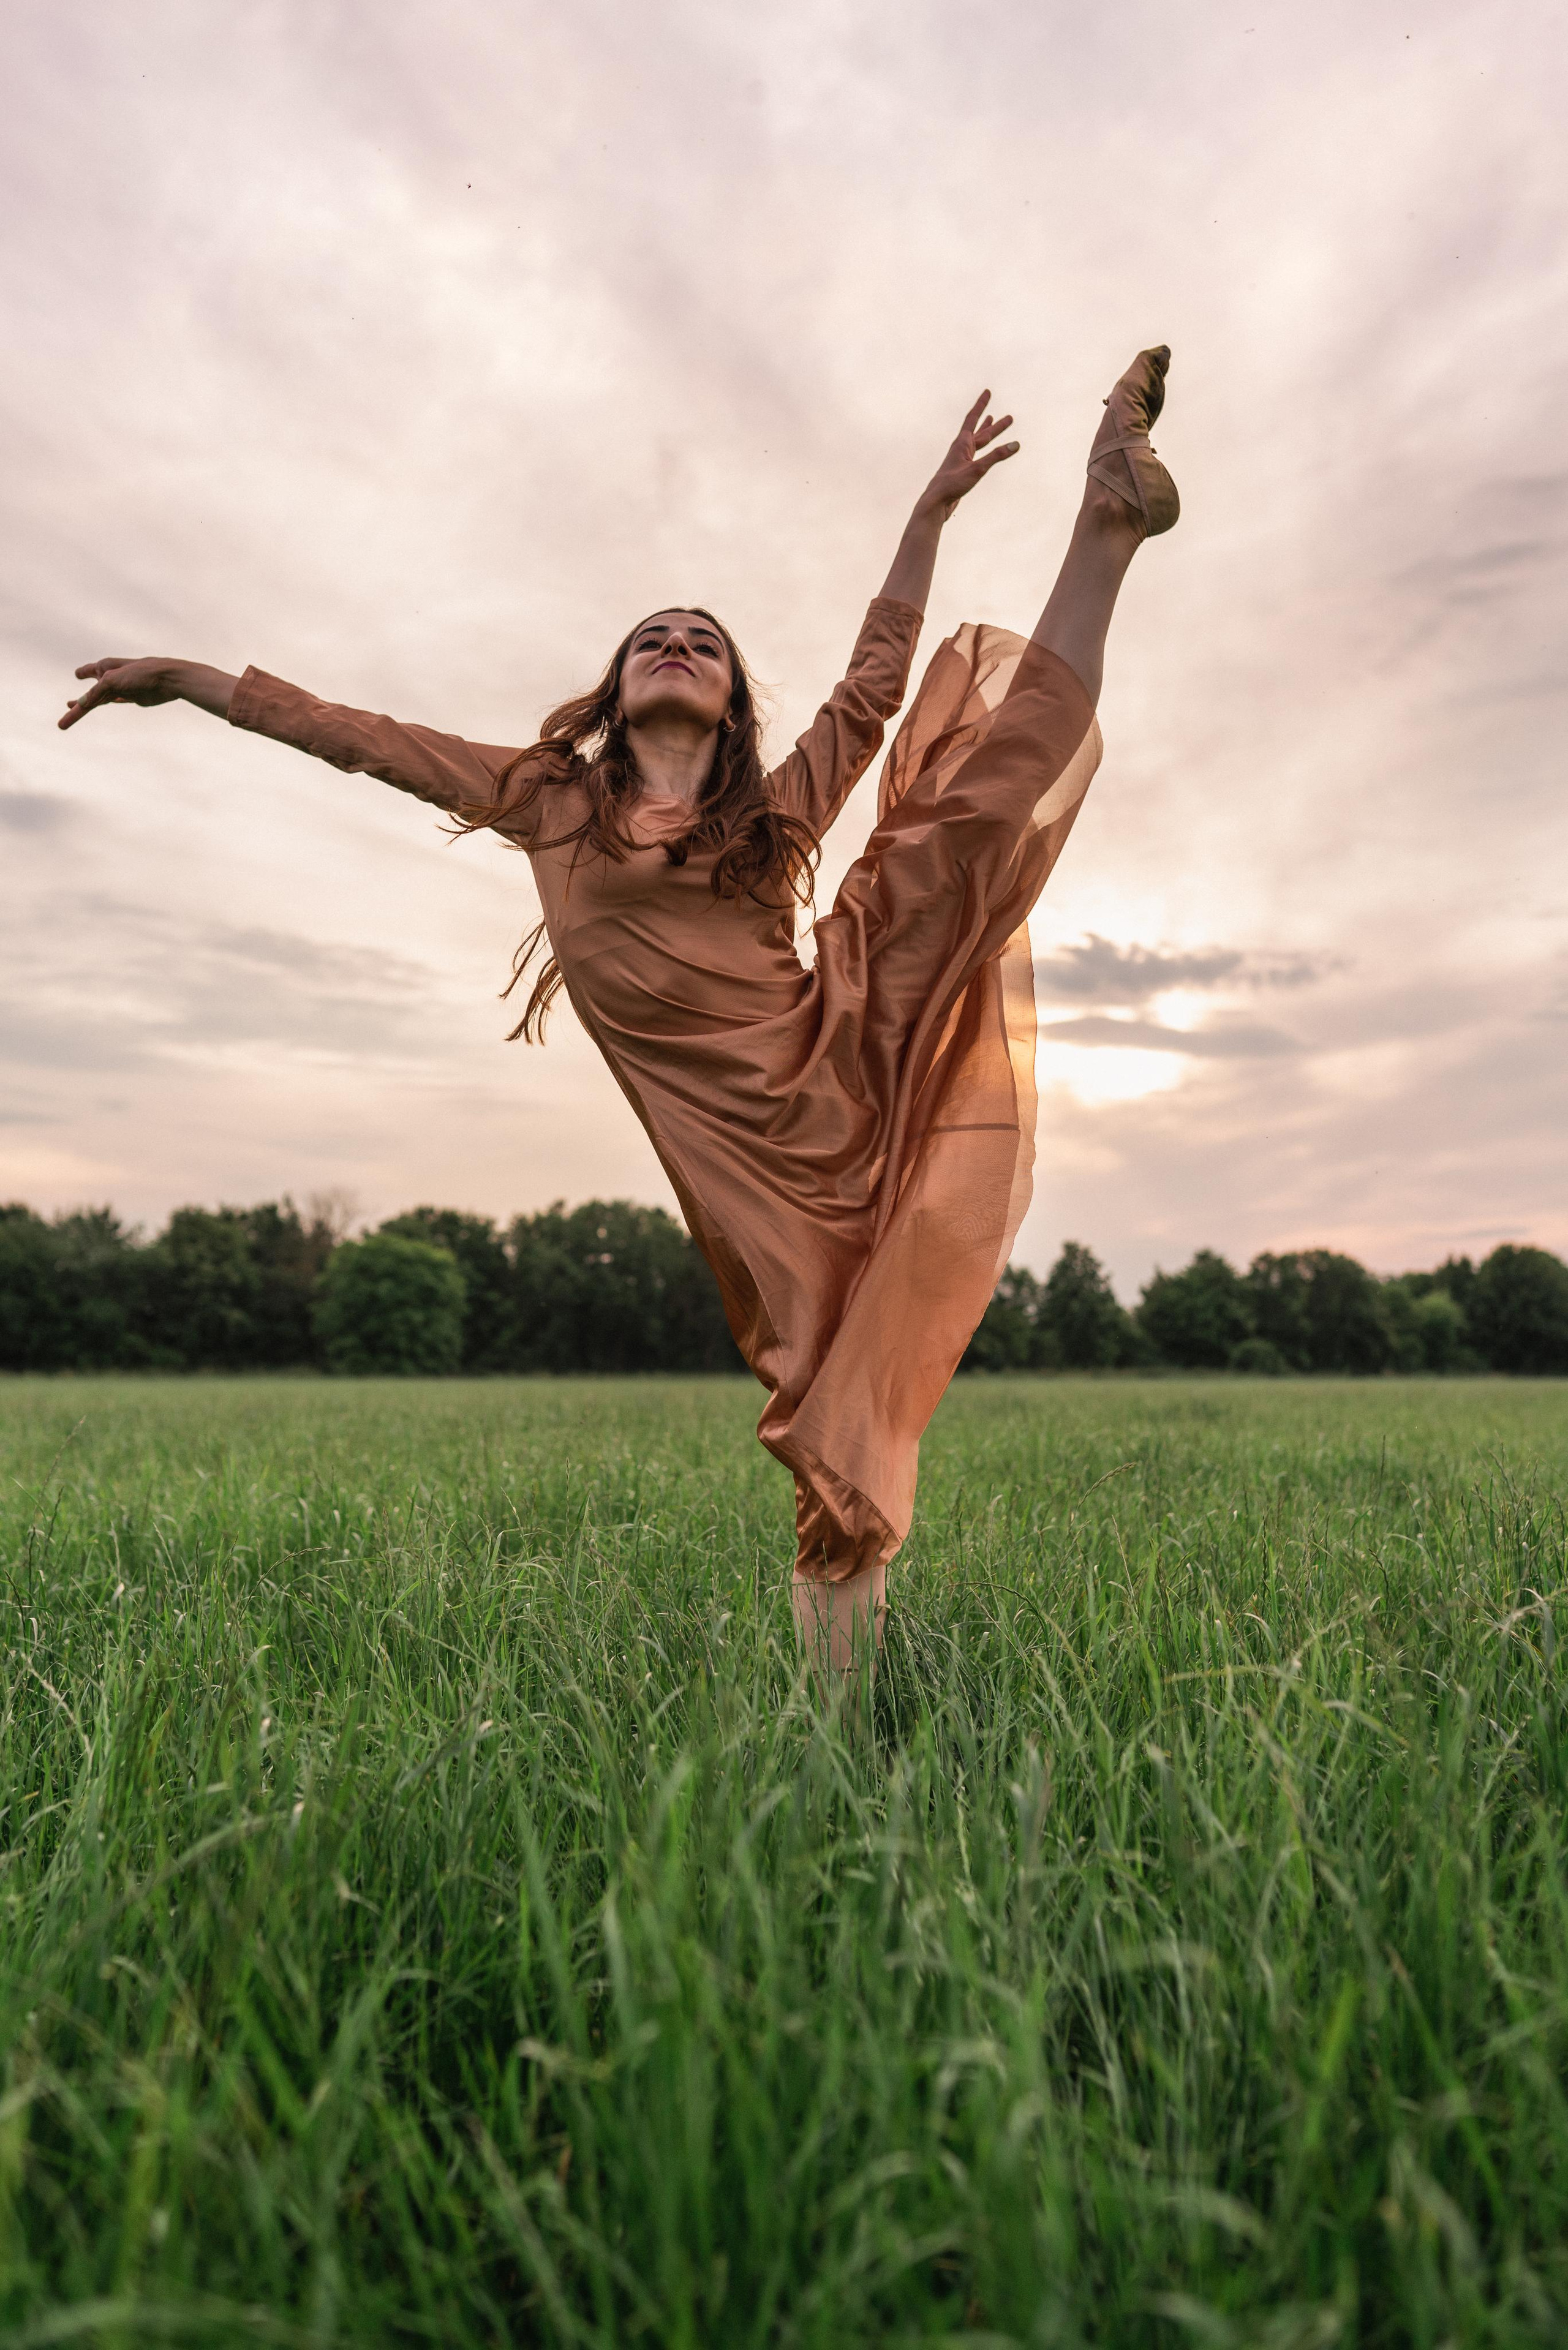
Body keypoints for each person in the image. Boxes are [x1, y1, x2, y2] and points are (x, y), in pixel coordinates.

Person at [60, 348, 1179, 1684]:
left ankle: (1103, 524)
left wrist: (925, 515)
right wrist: (186, 678)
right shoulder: (546, 800)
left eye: (704, 641)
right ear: (615, 684)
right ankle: (844, 1719)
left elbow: (871, 689)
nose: (678, 644)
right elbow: (357, 736)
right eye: (654, 633)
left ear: (726, 700)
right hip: (763, 1164)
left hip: (843, 1044)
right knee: (824, 1396)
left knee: (962, 815)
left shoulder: (769, 815)